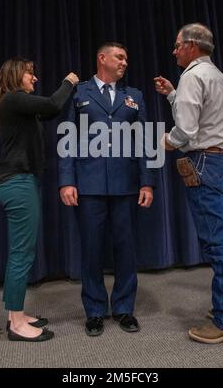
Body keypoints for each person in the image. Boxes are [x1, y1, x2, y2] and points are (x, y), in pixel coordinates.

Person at [154, 23, 223, 344]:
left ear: (192, 45)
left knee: (216, 243)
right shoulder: (216, 76)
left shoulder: (192, 77)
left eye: (178, 45)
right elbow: (199, 113)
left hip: (205, 162)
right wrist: (171, 95)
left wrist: (163, 141)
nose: (174, 50)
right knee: (222, 237)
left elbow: (186, 132)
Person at [59, 42, 156, 336]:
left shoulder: (134, 96)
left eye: (126, 58)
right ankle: (95, 310)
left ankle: (124, 308)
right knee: (91, 249)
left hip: (126, 185)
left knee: (126, 248)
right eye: (120, 57)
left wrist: (147, 182)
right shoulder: (79, 93)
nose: (125, 62)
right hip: (89, 186)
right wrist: (67, 180)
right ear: (102, 58)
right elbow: (68, 139)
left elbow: (144, 141)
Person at [0, 57, 79, 342]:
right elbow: (52, 104)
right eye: (30, 74)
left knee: (20, 251)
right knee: (21, 254)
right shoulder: (14, 99)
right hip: (18, 184)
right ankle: (16, 324)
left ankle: (14, 313)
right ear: (16, 75)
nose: (35, 79)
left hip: (19, 183)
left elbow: (49, 112)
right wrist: (70, 81)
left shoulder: (18, 105)